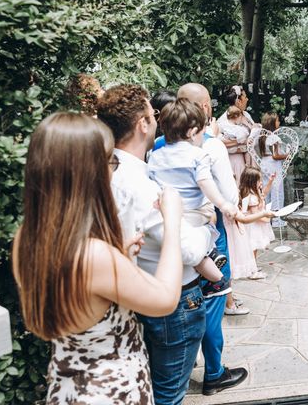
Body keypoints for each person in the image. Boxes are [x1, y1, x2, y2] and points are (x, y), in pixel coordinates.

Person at [13, 112, 184, 403]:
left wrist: (120, 259)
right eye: (109, 160)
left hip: (67, 388)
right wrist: (173, 222)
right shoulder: (93, 256)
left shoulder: (26, 238)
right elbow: (165, 299)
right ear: (87, 172)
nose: (113, 169)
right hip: (109, 391)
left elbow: (81, 296)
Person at [97, 85, 212, 404]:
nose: (157, 121)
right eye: (153, 115)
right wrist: (204, 226)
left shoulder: (108, 173)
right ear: (142, 124)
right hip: (172, 302)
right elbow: (190, 250)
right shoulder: (139, 184)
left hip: (131, 293)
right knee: (168, 394)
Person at [176, 82, 249, 395]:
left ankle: (184, 362)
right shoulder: (212, 145)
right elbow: (229, 195)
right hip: (208, 233)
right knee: (213, 302)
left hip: (172, 233)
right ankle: (214, 373)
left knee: (183, 297)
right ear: (205, 109)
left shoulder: (159, 145)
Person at [148, 98, 239, 298]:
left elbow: (152, 184)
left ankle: (213, 264)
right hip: (197, 213)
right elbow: (206, 183)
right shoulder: (198, 155)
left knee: (188, 251)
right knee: (198, 249)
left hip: (171, 214)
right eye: (202, 131)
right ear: (191, 132)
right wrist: (224, 204)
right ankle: (218, 281)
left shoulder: (154, 156)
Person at [237, 167, 276, 279]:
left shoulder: (254, 192)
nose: (261, 182)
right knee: (253, 248)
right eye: (259, 180)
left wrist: (270, 181)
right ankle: (252, 271)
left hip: (254, 224)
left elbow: (264, 193)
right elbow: (256, 216)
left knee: (254, 248)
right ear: (252, 182)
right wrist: (268, 218)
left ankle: (252, 267)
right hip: (253, 226)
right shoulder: (252, 197)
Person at [217, 85, 256, 183]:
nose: (247, 99)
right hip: (235, 160)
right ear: (239, 101)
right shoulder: (224, 120)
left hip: (251, 158)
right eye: (245, 97)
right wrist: (241, 142)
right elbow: (219, 142)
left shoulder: (246, 115)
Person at [259, 111, 289, 227]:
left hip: (264, 163)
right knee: (277, 190)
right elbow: (275, 155)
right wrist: (288, 155)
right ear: (272, 123)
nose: (279, 122)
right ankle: (276, 219)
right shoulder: (273, 137)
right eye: (277, 120)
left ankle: (267, 218)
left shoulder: (262, 137)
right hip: (273, 165)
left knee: (267, 190)